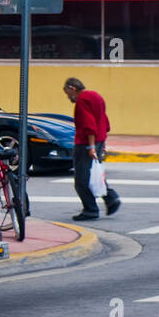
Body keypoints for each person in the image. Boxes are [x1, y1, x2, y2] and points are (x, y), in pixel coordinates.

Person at [63, 77, 120, 221]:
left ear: (72, 88)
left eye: (67, 93)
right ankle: (110, 198)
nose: (68, 96)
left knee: (81, 180)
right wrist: (101, 144)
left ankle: (90, 210)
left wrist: (91, 146)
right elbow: (104, 122)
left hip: (85, 143)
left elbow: (89, 125)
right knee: (94, 174)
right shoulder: (96, 96)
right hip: (98, 140)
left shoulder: (82, 100)